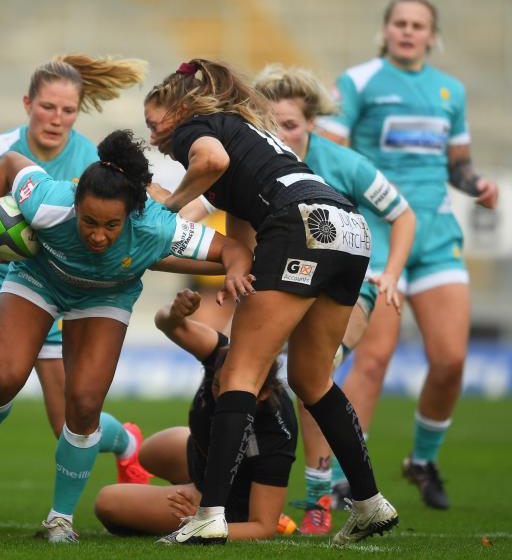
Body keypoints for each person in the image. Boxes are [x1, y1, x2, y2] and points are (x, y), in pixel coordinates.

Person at [0, 129, 255, 543]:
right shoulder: (49, 202)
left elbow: (234, 250)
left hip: (106, 297)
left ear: (131, 216)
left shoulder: (157, 226)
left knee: (85, 405)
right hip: (40, 280)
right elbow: (10, 164)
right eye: (88, 222)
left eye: (111, 225)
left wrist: (233, 271)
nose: (98, 235)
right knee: (4, 378)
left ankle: (59, 520)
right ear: (75, 206)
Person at [147, 58, 397, 546]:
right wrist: (239, 268)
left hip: (300, 224)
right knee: (311, 379)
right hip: (346, 229)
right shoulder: (244, 131)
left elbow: (211, 163)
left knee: (240, 372)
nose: (154, 134)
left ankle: (210, 513)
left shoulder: (194, 131)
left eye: (155, 122)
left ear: (178, 110)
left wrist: (168, 208)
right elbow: (242, 222)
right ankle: (370, 502)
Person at [0, 56, 152, 536]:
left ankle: (124, 442)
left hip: (64, 292)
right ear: (27, 104)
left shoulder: (92, 165)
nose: (56, 118)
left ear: (78, 111)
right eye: (47, 107)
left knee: (69, 422)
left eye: (67, 110)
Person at [317, 0, 500, 511]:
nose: (408, 31)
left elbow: (458, 164)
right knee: (372, 360)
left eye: (418, 25)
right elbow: (329, 149)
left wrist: (478, 183)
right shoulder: (359, 82)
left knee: (451, 360)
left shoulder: (450, 91)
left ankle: (422, 461)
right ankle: (347, 480)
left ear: (431, 34)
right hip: (378, 240)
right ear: (385, 29)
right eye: (400, 23)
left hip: (437, 239)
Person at [253, 64, 417, 534]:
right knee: (273, 378)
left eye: (290, 124)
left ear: (312, 124)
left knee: (315, 376)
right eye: (272, 125)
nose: (282, 133)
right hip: (293, 282)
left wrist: (391, 273)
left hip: (352, 285)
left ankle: (319, 498)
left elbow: (402, 214)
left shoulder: (344, 162)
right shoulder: (261, 162)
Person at [94, 289, 296, 541]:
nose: (220, 397)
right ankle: (183, 490)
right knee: (150, 451)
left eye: (233, 392)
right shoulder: (222, 352)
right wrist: (175, 313)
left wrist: (200, 521)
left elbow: (262, 528)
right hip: (203, 456)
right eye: (217, 386)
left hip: (229, 500)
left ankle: (211, 506)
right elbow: (164, 322)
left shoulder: (276, 429)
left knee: (108, 502)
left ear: (264, 393)